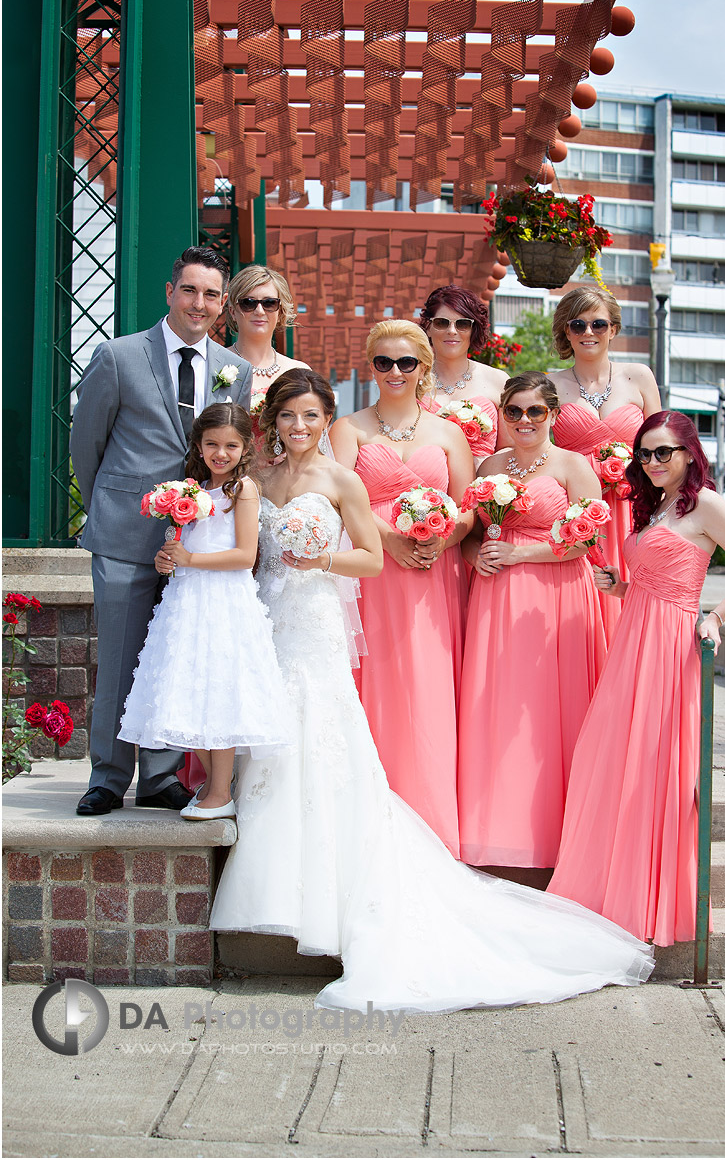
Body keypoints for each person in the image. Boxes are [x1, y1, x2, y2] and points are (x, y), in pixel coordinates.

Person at [210, 368, 655, 1012]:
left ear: (324, 418)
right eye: (288, 417)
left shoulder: (342, 478)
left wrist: (321, 562)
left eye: (311, 416)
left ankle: (335, 882)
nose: (299, 427)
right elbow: (243, 548)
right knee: (277, 737)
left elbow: (367, 553)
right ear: (272, 424)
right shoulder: (256, 482)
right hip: (271, 619)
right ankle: (274, 879)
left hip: (315, 622)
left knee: (324, 734)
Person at [548, 412, 725, 945]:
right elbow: (657, 578)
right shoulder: (658, 506)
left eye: (663, 452)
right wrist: (621, 588)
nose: (651, 462)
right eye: (644, 454)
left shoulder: (706, 504)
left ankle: (651, 899)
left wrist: (715, 616)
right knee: (611, 753)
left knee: (654, 760)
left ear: (690, 453)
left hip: (671, 644)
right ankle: (609, 884)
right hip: (634, 637)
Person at [70, 246, 252, 816]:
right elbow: (86, 446)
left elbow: (230, 453)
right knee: (121, 655)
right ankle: (107, 775)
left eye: (212, 294)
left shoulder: (235, 370)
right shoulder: (119, 356)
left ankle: (158, 777)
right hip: (127, 534)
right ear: (171, 292)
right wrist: (116, 503)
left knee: (174, 655)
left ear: (223, 305)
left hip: (196, 543)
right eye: (191, 290)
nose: (200, 303)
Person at [330, 321, 474, 857]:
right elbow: (337, 496)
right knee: (376, 679)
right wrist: (386, 538)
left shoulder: (449, 434)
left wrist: (446, 536)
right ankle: (369, 814)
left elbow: (468, 506)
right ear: (371, 368)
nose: (394, 372)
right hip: (373, 569)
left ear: (423, 368)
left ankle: (430, 822)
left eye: (406, 363)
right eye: (383, 363)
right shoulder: (349, 429)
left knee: (428, 683)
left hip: (432, 576)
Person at [457, 373, 607, 875]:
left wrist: (523, 553)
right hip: (496, 596)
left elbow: (585, 542)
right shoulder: (489, 466)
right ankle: (496, 830)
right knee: (496, 705)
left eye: (535, 412)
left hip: (555, 597)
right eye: (514, 412)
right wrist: (479, 556)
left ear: (553, 415)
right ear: (502, 413)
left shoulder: (575, 466)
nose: (524, 421)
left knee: (548, 709)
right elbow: (473, 536)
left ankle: (555, 832)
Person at [119, 404, 293, 818]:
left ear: (244, 448)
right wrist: (169, 559)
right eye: (212, 444)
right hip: (186, 602)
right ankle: (217, 787)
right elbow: (182, 546)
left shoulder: (242, 490)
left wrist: (191, 560)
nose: (221, 453)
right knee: (188, 688)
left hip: (224, 602)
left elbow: (244, 554)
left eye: (231, 445)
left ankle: (220, 792)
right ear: (199, 445)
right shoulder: (191, 491)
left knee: (220, 692)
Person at [545, 286, 661, 639]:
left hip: (634, 510)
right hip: (577, 515)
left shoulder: (639, 376)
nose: (588, 333)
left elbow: (662, 444)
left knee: (634, 606)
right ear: (566, 331)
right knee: (582, 617)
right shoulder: (549, 385)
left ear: (613, 329)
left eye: (598, 324)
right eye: (577, 325)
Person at [224, 265, 308, 464]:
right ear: (232, 311)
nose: (259, 311)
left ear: (280, 311)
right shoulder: (212, 364)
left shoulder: (299, 372)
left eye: (269, 303)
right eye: (248, 303)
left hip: (284, 483)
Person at [418, 285, 507, 462]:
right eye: (442, 323)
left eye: (462, 324)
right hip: (425, 483)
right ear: (428, 327)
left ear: (474, 330)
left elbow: (509, 448)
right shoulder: (412, 380)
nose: (452, 331)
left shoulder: (498, 381)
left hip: (483, 483)